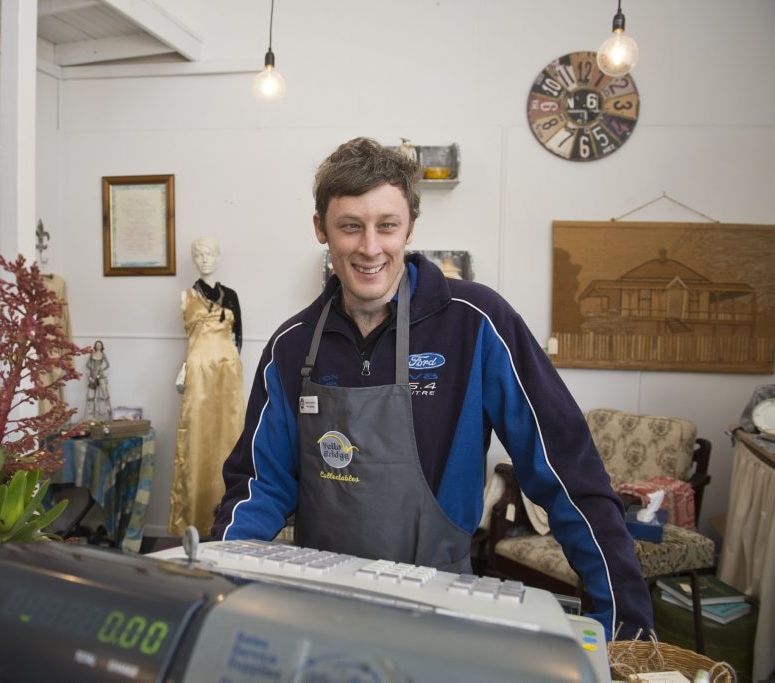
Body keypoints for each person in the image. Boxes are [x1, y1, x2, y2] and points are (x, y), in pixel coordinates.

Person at [211, 137, 652, 641]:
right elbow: (258, 486)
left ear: (410, 229)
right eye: (350, 226)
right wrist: (216, 584)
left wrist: (625, 622)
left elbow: (567, 470)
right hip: (324, 616)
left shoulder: (475, 324)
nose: (370, 247)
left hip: (441, 617)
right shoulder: (292, 347)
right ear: (321, 230)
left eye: (387, 226)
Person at [170, 236, 245, 538]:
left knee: (231, 437)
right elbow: (191, 340)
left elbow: (239, 340)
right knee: (197, 441)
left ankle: (230, 517)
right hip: (199, 372)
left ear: (218, 256)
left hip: (228, 374)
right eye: (199, 255)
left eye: (210, 254)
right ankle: (197, 519)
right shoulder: (185, 297)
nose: (205, 259)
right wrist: (183, 369)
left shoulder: (232, 296)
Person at [83, 340, 112, 422]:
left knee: (103, 394)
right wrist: (92, 369)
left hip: (101, 376)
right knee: (91, 395)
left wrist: (101, 369)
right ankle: (91, 417)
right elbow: (87, 364)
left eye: (100, 345)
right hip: (93, 376)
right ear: (95, 346)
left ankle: (104, 416)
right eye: (97, 345)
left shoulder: (103, 354)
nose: (98, 346)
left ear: (101, 346)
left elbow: (108, 365)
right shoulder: (92, 354)